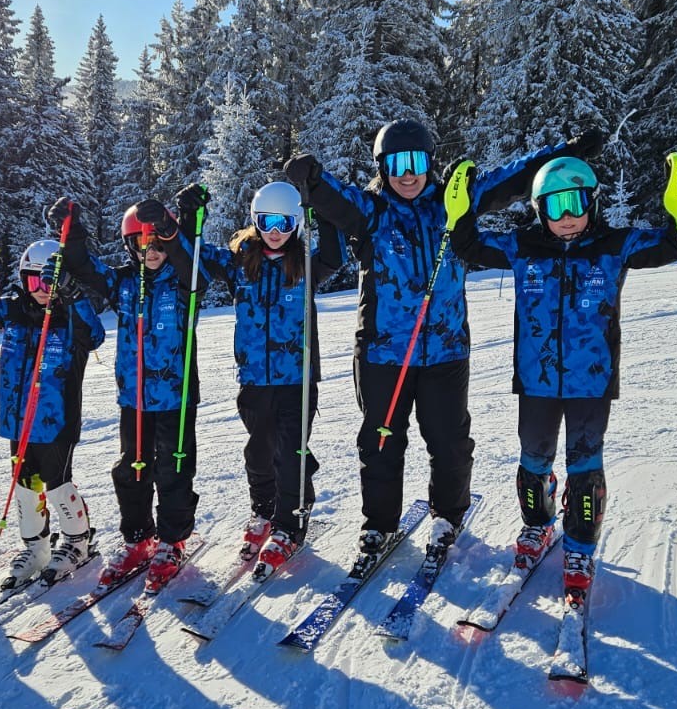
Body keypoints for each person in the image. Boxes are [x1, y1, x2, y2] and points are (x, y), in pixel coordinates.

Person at [282, 119, 604, 564]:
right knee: (380, 441)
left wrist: (564, 152)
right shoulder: (371, 211)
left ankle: (447, 515)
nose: (407, 174)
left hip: (446, 351)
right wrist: (312, 178)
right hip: (384, 353)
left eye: (416, 162)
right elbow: (333, 197)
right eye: (396, 164)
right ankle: (379, 523)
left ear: (430, 163)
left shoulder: (452, 202)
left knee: (449, 441)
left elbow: (512, 178)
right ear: (382, 167)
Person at [450, 154, 677, 590]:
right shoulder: (522, 247)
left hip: (592, 381)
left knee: (584, 463)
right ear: (539, 210)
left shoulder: (614, 245)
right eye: (554, 206)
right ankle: (537, 524)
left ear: (593, 202)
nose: (566, 217)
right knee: (534, 456)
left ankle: (581, 546)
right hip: (537, 380)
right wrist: (462, 199)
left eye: (576, 203)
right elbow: (467, 245)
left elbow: (676, 242)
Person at [168, 180, 345, 572]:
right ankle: (264, 509)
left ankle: (290, 524)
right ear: (255, 221)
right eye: (266, 222)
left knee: (290, 453)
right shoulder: (239, 261)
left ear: (296, 223)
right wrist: (188, 218)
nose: (275, 231)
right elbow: (193, 257)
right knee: (259, 451)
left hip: (296, 380)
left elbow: (336, 255)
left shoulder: (305, 264)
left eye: (284, 223)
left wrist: (321, 205)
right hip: (253, 379)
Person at [0, 200, 106, 589]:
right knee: (24, 482)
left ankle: (77, 540)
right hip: (18, 418)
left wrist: (73, 296)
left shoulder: (70, 317)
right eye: (34, 282)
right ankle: (35, 546)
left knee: (57, 482)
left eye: (50, 282)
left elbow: (95, 335)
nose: (42, 291)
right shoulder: (12, 311)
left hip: (56, 418)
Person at [55, 197, 203, 588]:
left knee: (173, 469)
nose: (151, 252)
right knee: (132, 468)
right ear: (129, 245)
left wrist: (174, 230)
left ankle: (172, 540)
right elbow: (83, 266)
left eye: (158, 243)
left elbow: (195, 266)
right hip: (134, 398)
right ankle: (139, 538)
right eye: (142, 244)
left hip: (175, 397)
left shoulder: (183, 278)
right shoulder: (122, 282)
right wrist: (72, 229)